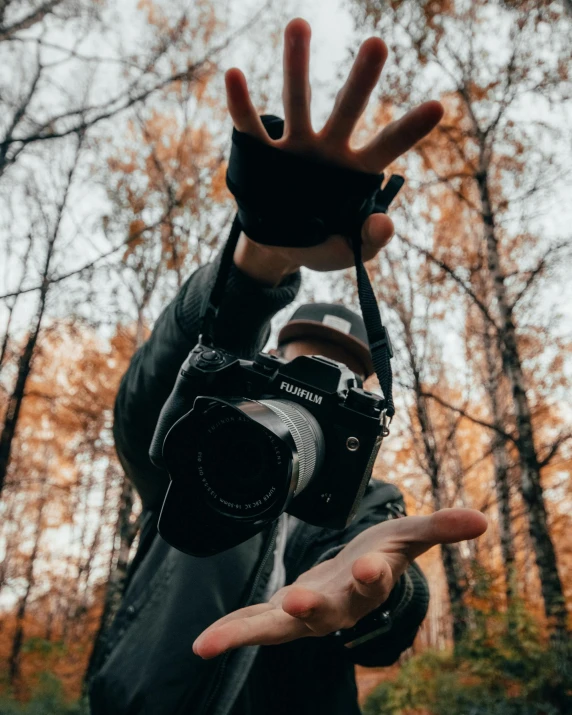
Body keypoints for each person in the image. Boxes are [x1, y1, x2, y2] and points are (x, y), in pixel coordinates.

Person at [88, 18, 487, 715]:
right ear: (263, 362)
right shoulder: (194, 441)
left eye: (341, 378)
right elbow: (146, 403)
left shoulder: (362, 493)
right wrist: (261, 259)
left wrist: (381, 593)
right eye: (300, 364)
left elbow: (385, 589)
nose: (318, 385)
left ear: (364, 395)